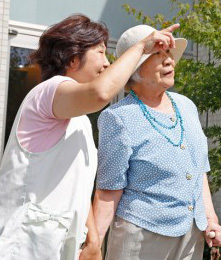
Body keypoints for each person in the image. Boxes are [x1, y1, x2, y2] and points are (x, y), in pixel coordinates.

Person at [0, 14, 179, 260]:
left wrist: (93, 240)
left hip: (59, 243)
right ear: (73, 58)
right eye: (101, 52)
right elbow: (100, 93)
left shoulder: (80, 120)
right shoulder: (46, 92)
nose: (107, 64)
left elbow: (78, 186)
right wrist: (141, 47)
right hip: (26, 244)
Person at [94, 24, 221, 260]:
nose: (168, 61)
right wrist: (93, 246)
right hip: (141, 235)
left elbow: (199, 171)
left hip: (191, 235)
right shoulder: (118, 117)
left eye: (169, 54)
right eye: (157, 54)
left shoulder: (186, 106)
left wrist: (211, 219)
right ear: (135, 70)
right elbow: (108, 190)